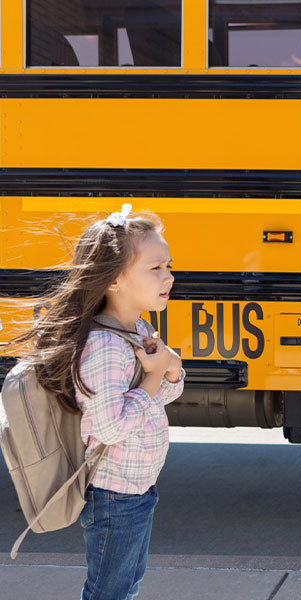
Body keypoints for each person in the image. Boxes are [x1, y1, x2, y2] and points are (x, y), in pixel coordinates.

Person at [10, 205, 184, 600]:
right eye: (155, 268)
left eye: (169, 266)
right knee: (109, 592)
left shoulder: (137, 330)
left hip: (137, 489)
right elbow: (110, 427)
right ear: (115, 279)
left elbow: (160, 397)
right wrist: (155, 375)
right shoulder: (105, 346)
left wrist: (171, 369)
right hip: (114, 496)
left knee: (125, 586)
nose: (169, 276)